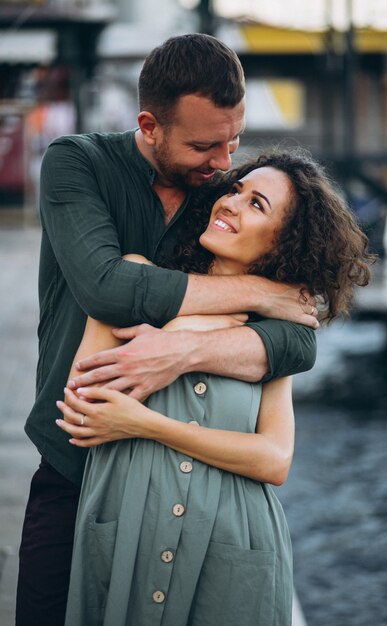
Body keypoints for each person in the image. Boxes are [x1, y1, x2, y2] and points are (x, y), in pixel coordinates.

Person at [16, 34, 318, 626]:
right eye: (206, 145)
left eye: (233, 141)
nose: (225, 164)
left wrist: (179, 353)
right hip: (77, 459)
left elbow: (298, 339)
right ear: (150, 126)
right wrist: (259, 293)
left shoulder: (221, 197)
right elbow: (109, 289)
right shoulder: (78, 165)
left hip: (189, 486)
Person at [57, 149, 375, 626]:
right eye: (234, 190)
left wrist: (147, 424)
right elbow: (80, 409)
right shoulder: (136, 277)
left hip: (233, 543)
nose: (231, 203)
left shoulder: (274, 332)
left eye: (257, 205)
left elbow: (273, 459)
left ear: (283, 242)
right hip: (130, 529)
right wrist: (201, 324)